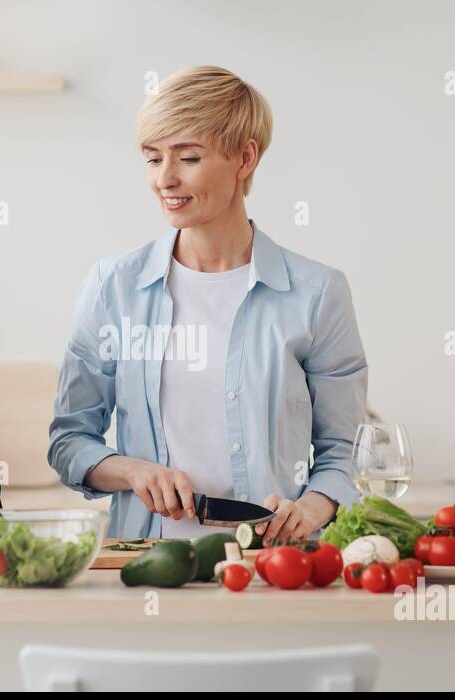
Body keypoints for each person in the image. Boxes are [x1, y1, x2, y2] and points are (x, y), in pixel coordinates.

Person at [48, 66, 368, 543]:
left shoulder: (317, 293)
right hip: (148, 564)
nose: (165, 179)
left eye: (189, 158)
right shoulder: (113, 287)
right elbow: (69, 441)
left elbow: (345, 452)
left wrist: (309, 510)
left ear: (245, 158)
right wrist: (134, 471)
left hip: (276, 567)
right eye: (153, 159)